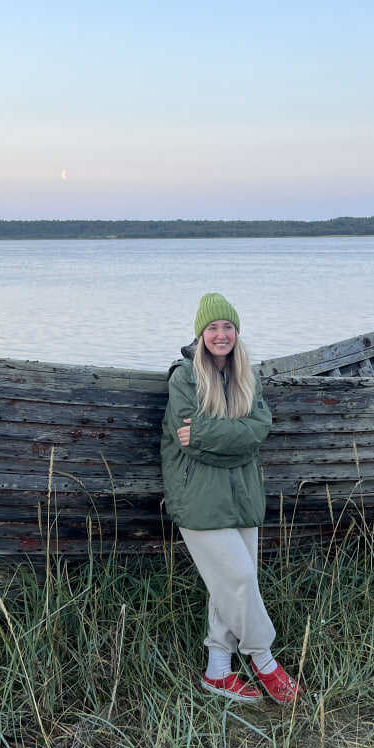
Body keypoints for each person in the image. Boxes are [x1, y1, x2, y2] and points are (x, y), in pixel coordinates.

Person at [160, 292, 301, 704]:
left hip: (242, 494)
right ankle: (264, 659)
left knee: (229, 584)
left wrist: (210, 435)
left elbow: (259, 429)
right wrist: (236, 438)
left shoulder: (246, 376)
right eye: (212, 328)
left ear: (236, 332)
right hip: (199, 498)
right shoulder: (184, 378)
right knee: (238, 579)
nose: (221, 335)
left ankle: (217, 671)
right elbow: (187, 440)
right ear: (200, 334)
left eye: (227, 327)